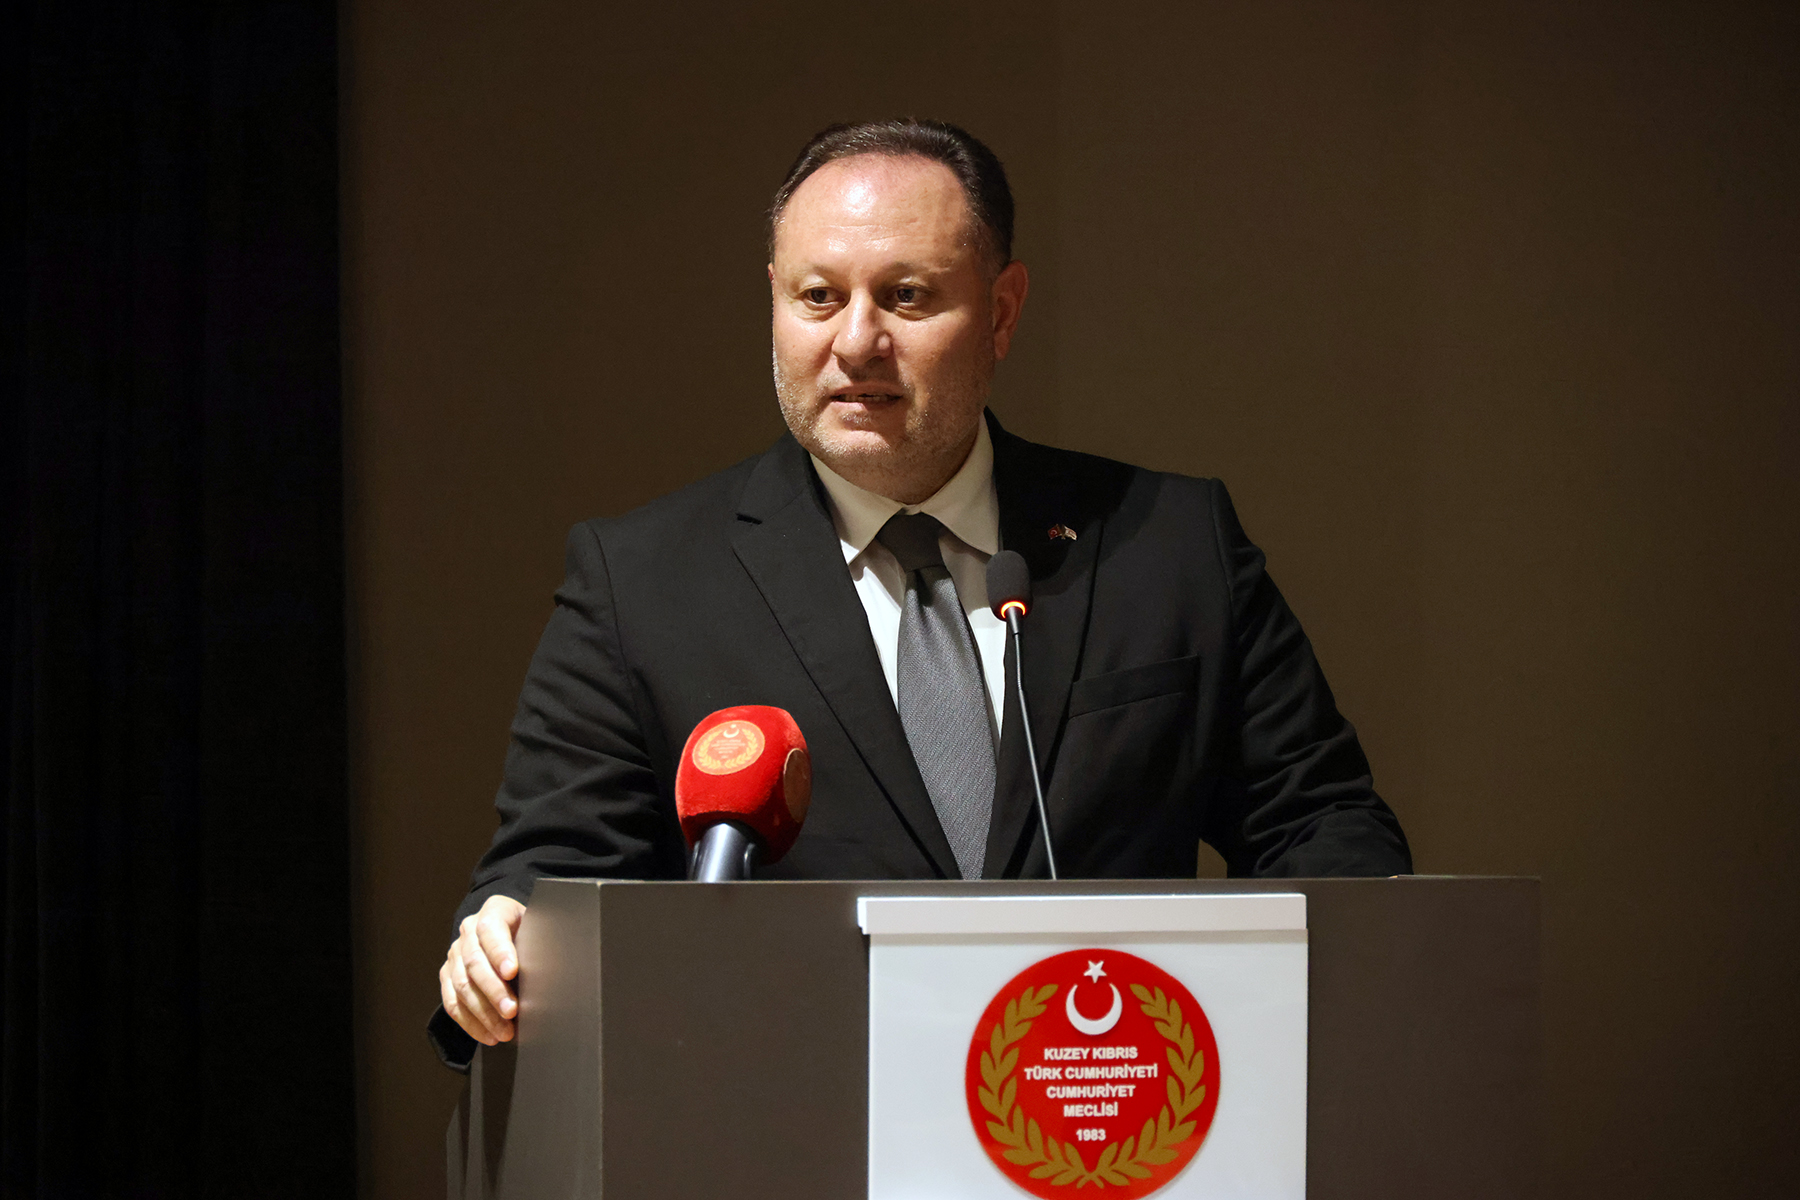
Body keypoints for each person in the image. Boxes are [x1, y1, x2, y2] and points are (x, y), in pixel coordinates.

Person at [433, 119, 1410, 1067]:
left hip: (1111, 1106)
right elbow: (551, 875)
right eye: (818, 297)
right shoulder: (642, 582)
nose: (856, 342)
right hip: (788, 1121)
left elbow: (1322, 829)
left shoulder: (1168, 546)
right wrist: (507, 936)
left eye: (905, 296)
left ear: (1003, 311)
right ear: (773, 299)